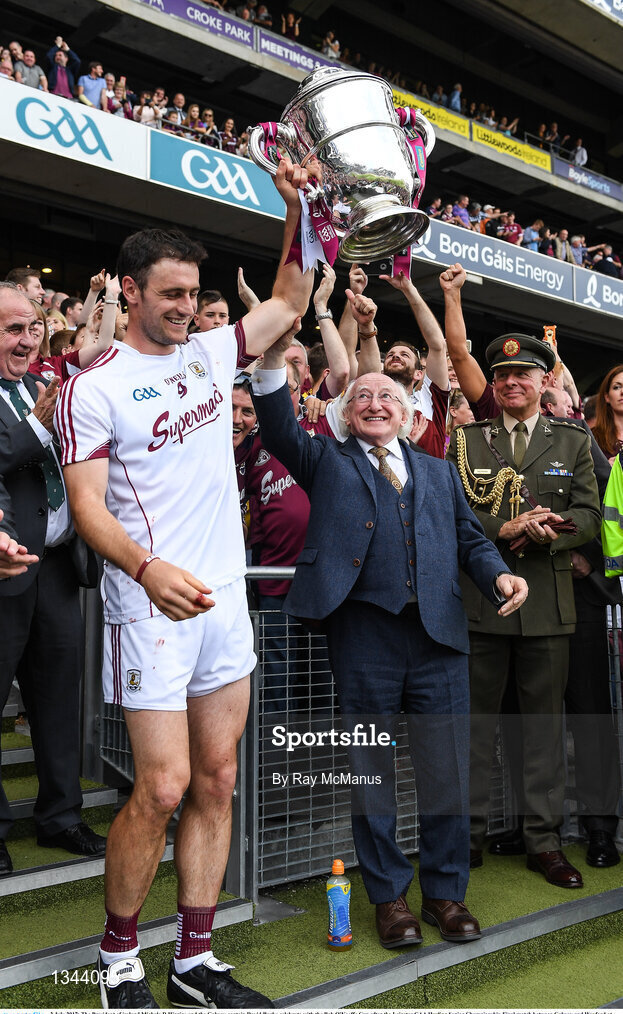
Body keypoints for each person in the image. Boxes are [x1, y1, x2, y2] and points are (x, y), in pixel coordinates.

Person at [56, 158, 315, 1009]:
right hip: (148, 604)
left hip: (225, 604)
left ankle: (193, 961)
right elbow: (86, 507)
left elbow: (288, 296)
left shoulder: (212, 351)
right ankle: (119, 957)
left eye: (192, 293)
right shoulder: (92, 388)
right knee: (160, 788)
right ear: (130, 292)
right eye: (168, 294)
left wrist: (300, 206)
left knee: (217, 780)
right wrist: (144, 566)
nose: (185, 307)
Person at [251, 309, 527, 948]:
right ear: (346, 414)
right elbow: (275, 423)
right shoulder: (322, 457)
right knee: (372, 772)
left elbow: (467, 537)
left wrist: (498, 577)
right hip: (365, 640)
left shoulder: (436, 470)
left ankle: (447, 895)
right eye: (363, 396)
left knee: (447, 773)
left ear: (408, 414)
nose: (376, 403)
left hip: (439, 640)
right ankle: (388, 900)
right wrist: (273, 356)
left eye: (389, 398)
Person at [446, 332, 601, 888]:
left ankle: (543, 841)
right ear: (496, 383)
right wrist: (504, 528)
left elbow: (588, 514)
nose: (513, 382)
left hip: (547, 603)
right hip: (484, 602)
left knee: (542, 730)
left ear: (543, 382)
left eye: (524, 375)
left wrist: (549, 533)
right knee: (473, 727)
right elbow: (452, 512)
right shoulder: (466, 440)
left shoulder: (572, 439)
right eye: (504, 375)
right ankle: (464, 838)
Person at [0, 282, 104, 878]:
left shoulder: (43, 385)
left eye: (32, 328)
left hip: (61, 568)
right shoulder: (40, 400)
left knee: (59, 699)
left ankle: (61, 817)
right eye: (13, 329)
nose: (27, 338)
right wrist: (42, 424)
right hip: (5, 568)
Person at [592, 364, 623, 462]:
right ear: (607, 397)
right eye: (617, 387)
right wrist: (604, 469)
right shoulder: (593, 437)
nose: (622, 391)